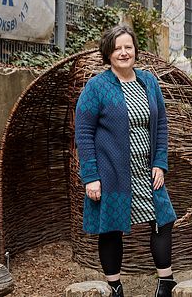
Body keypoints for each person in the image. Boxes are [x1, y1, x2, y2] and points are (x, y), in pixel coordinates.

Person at [75, 25, 178, 297]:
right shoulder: (96, 87)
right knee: (110, 229)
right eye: (117, 48)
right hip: (111, 173)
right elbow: (83, 133)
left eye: (128, 47)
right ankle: (114, 286)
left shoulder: (148, 81)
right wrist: (91, 177)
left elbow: (162, 125)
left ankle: (166, 282)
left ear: (135, 51)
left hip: (146, 171)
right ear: (108, 53)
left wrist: (160, 162)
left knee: (163, 220)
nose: (124, 52)